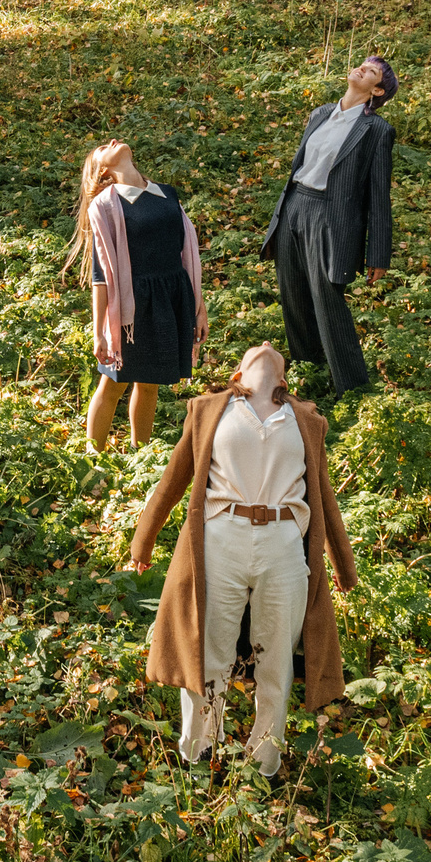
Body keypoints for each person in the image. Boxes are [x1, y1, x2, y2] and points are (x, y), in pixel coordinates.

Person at [130, 343, 356, 778]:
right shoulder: (211, 410)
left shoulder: (306, 419)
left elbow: (324, 498)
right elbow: (173, 480)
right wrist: (144, 542)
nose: (267, 345)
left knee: (276, 661)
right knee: (208, 651)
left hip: (283, 545)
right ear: (238, 374)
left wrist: (344, 566)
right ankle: (199, 753)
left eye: (274, 349)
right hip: (221, 538)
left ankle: (263, 762)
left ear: (284, 377)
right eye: (256, 348)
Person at [260, 56, 397, 397]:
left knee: (327, 300)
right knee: (292, 294)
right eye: (363, 64)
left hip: (329, 216)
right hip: (294, 206)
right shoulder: (320, 114)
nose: (362, 69)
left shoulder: (377, 130)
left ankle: (352, 390)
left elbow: (379, 195)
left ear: (377, 90)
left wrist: (377, 253)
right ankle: (310, 373)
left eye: (372, 72)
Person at [68, 140, 204, 449]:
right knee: (114, 383)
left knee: (151, 384)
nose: (112, 141)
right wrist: (99, 334)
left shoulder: (167, 194)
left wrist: (199, 307)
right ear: (102, 169)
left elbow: (187, 256)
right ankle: (94, 455)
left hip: (171, 298)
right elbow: (101, 276)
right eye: (103, 146)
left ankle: (139, 454)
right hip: (133, 305)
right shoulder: (105, 205)